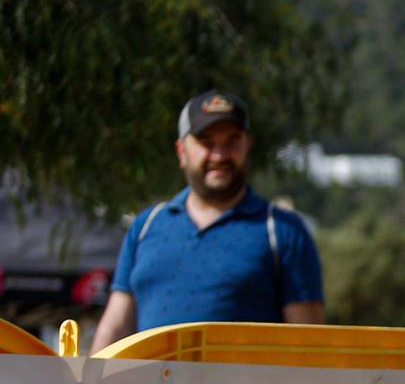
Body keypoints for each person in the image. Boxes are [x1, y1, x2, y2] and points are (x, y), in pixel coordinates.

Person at [92, 90, 324, 351]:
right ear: (181, 151)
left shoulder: (282, 230)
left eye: (231, 141)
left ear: (247, 145)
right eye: (206, 142)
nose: (219, 155)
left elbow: (309, 349)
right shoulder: (146, 226)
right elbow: (114, 327)